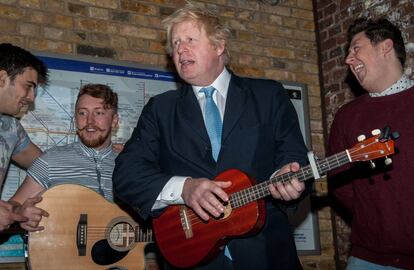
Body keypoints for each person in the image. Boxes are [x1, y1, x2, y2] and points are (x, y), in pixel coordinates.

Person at [113, 2, 310, 270]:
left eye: (190, 40)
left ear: (219, 46)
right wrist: (183, 188)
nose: (180, 49)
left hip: (266, 256)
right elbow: (126, 174)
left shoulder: (269, 96)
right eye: (175, 44)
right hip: (189, 256)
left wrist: (290, 180)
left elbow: (295, 158)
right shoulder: (160, 109)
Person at [328, 17, 414, 269]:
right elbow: (340, 184)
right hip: (369, 259)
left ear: (385, 47)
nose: (348, 59)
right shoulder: (346, 116)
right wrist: (376, 219)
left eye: (356, 48)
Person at [9, 83, 119, 232]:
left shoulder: (130, 164)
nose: (90, 122)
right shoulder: (50, 160)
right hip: (60, 253)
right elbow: (13, 205)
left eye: (98, 113)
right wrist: (20, 213)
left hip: (119, 255)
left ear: (114, 121)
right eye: (82, 113)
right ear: (75, 119)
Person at [0, 43, 48, 231]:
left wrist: (123, 157)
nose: (31, 97)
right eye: (28, 86)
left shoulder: (11, 129)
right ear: (2, 78)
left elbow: (49, 166)